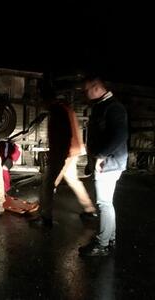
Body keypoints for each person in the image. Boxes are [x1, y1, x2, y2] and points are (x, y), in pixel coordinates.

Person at [79, 76, 128, 257]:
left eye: (86, 90)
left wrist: (100, 156)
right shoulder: (102, 106)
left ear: (97, 87)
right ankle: (109, 238)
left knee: (104, 203)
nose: (85, 94)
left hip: (109, 163)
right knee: (107, 204)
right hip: (106, 161)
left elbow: (119, 136)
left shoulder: (113, 108)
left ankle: (102, 245)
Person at [31, 96, 97, 228]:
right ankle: (90, 210)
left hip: (64, 152)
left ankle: (45, 217)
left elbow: (62, 135)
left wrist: (57, 156)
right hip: (72, 151)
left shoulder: (57, 110)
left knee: (48, 183)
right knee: (72, 180)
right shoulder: (66, 109)